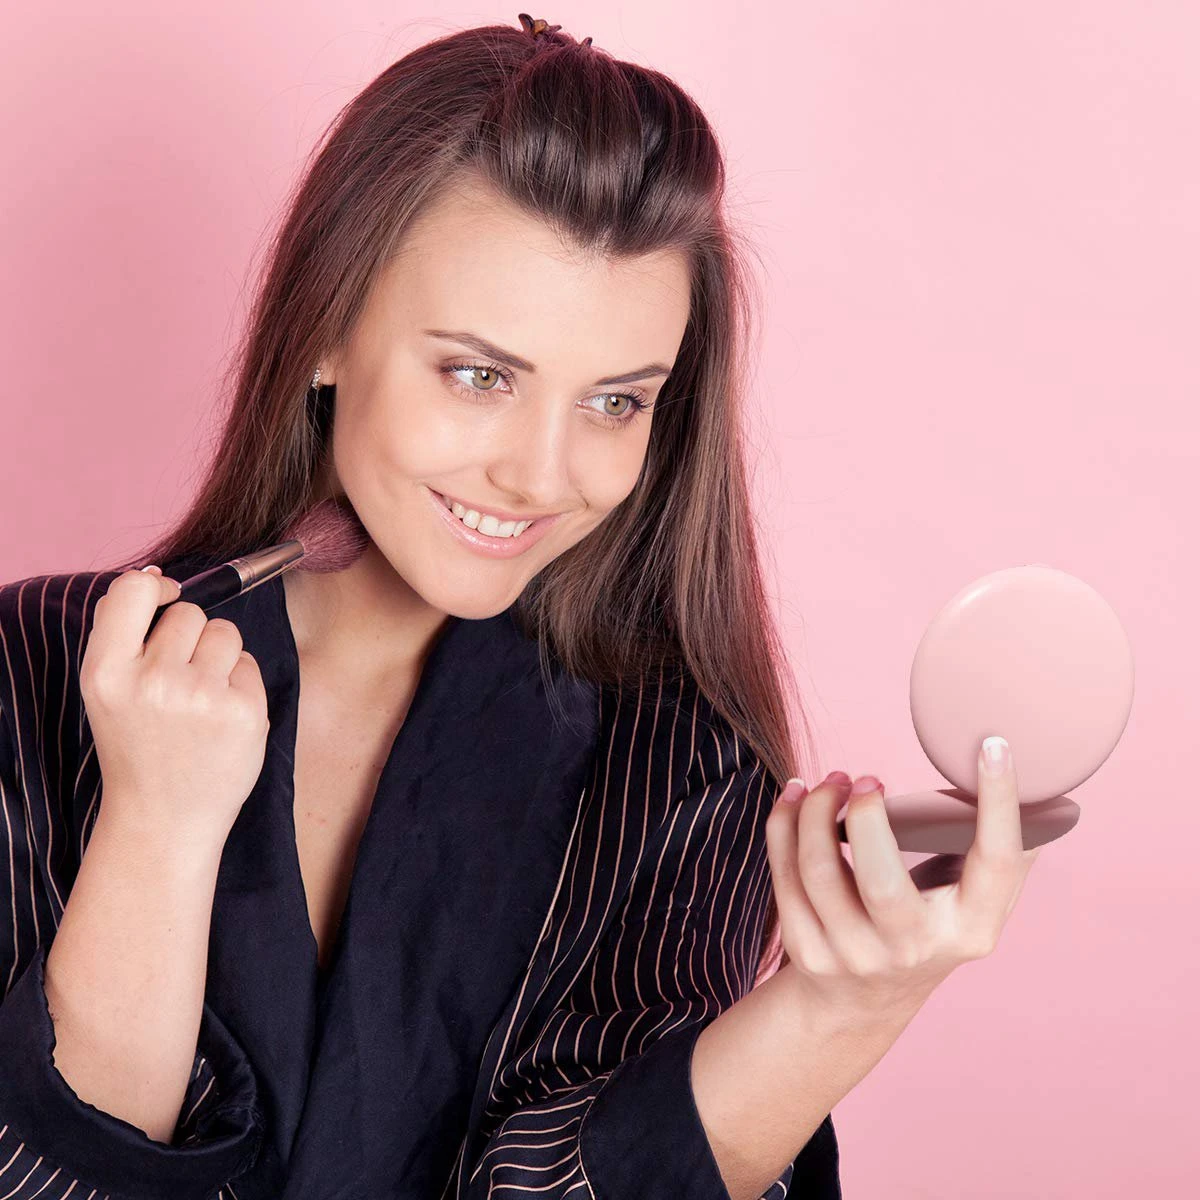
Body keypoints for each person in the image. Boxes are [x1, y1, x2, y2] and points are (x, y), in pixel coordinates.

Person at [0, 12, 1041, 1200]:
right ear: (326, 333)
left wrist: (842, 1010)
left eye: (615, 402)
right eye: (481, 375)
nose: (543, 476)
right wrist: (155, 830)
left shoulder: (677, 772)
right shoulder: (27, 672)